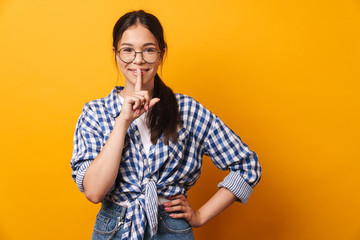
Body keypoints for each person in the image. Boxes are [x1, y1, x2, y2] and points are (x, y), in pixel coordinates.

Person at [70, 10, 262, 240]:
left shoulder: (186, 110)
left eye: (149, 50)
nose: (138, 60)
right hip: (115, 227)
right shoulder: (95, 113)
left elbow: (247, 166)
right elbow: (94, 191)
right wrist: (122, 122)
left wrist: (200, 215)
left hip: (172, 229)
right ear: (116, 54)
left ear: (161, 54)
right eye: (128, 50)